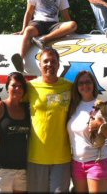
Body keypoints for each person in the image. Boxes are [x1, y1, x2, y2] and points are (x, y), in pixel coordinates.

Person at [12, 0, 77, 72]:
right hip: (38, 23)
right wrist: (23, 29)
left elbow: (65, 15)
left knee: (73, 24)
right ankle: (20, 59)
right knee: (28, 31)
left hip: (53, 25)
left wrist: (72, 31)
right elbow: (29, 12)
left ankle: (43, 39)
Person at [26, 47, 73, 192]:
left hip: (62, 157)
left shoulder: (69, 87)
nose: (49, 65)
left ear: (58, 65)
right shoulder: (30, 87)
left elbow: (87, 102)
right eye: (45, 61)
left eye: (53, 61)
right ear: (39, 65)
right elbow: (11, 107)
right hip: (36, 157)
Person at [67, 70, 107, 193]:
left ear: (93, 85)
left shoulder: (101, 106)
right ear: (77, 86)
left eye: (88, 82)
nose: (84, 86)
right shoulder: (73, 106)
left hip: (97, 163)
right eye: (81, 83)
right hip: (77, 164)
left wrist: (100, 124)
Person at [0, 72, 31, 193]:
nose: (17, 89)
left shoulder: (27, 109)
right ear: (7, 87)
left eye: (21, 86)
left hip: (22, 170)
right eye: (14, 85)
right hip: (2, 170)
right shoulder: (0, 107)